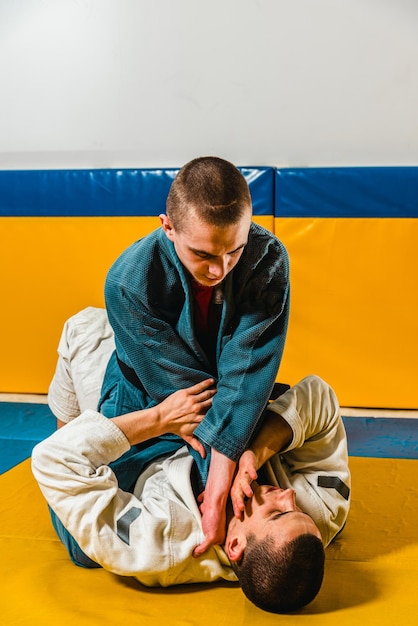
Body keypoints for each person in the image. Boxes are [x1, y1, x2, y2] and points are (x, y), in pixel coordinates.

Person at [33, 370, 350, 614]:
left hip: (138, 457)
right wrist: (255, 451)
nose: (289, 495)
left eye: (277, 512)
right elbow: (319, 397)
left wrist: (160, 418)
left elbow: (54, 459)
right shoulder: (319, 516)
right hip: (197, 425)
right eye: (298, 509)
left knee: (87, 330)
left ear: (235, 545)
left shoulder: (159, 545)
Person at [96, 156, 290, 555]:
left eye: (234, 250)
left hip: (223, 387)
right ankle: (83, 338)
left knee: (229, 484)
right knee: (88, 546)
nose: (220, 268)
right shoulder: (127, 282)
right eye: (203, 254)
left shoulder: (267, 258)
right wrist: (219, 486)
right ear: (167, 226)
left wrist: (219, 494)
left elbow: (248, 368)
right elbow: (192, 397)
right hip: (147, 392)